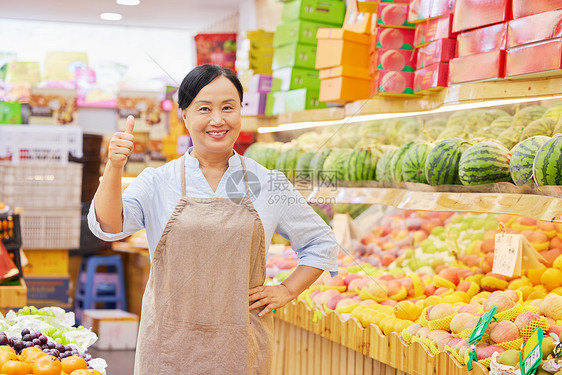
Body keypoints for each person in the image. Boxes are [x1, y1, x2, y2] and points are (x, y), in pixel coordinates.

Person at [88, 64, 339, 375]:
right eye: (204, 108)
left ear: (239, 114)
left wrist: (287, 290)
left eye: (228, 108)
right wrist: (113, 167)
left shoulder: (266, 182)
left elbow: (321, 241)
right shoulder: (157, 181)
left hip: (239, 348)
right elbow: (109, 225)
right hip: (167, 348)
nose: (218, 120)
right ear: (185, 116)